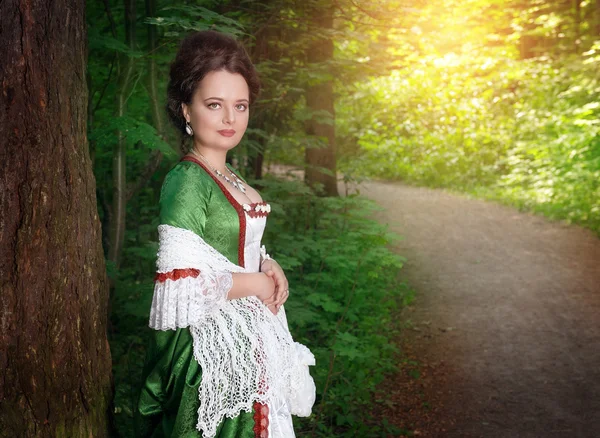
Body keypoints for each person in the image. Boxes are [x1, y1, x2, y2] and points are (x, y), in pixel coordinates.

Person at [134, 31, 316, 438]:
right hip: (212, 354)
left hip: (253, 339)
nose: (230, 119)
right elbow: (178, 290)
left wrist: (267, 264)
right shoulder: (186, 181)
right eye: (214, 105)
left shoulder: (228, 175)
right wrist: (255, 282)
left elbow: (230, 246)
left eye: (240, 106)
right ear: (186, 109)